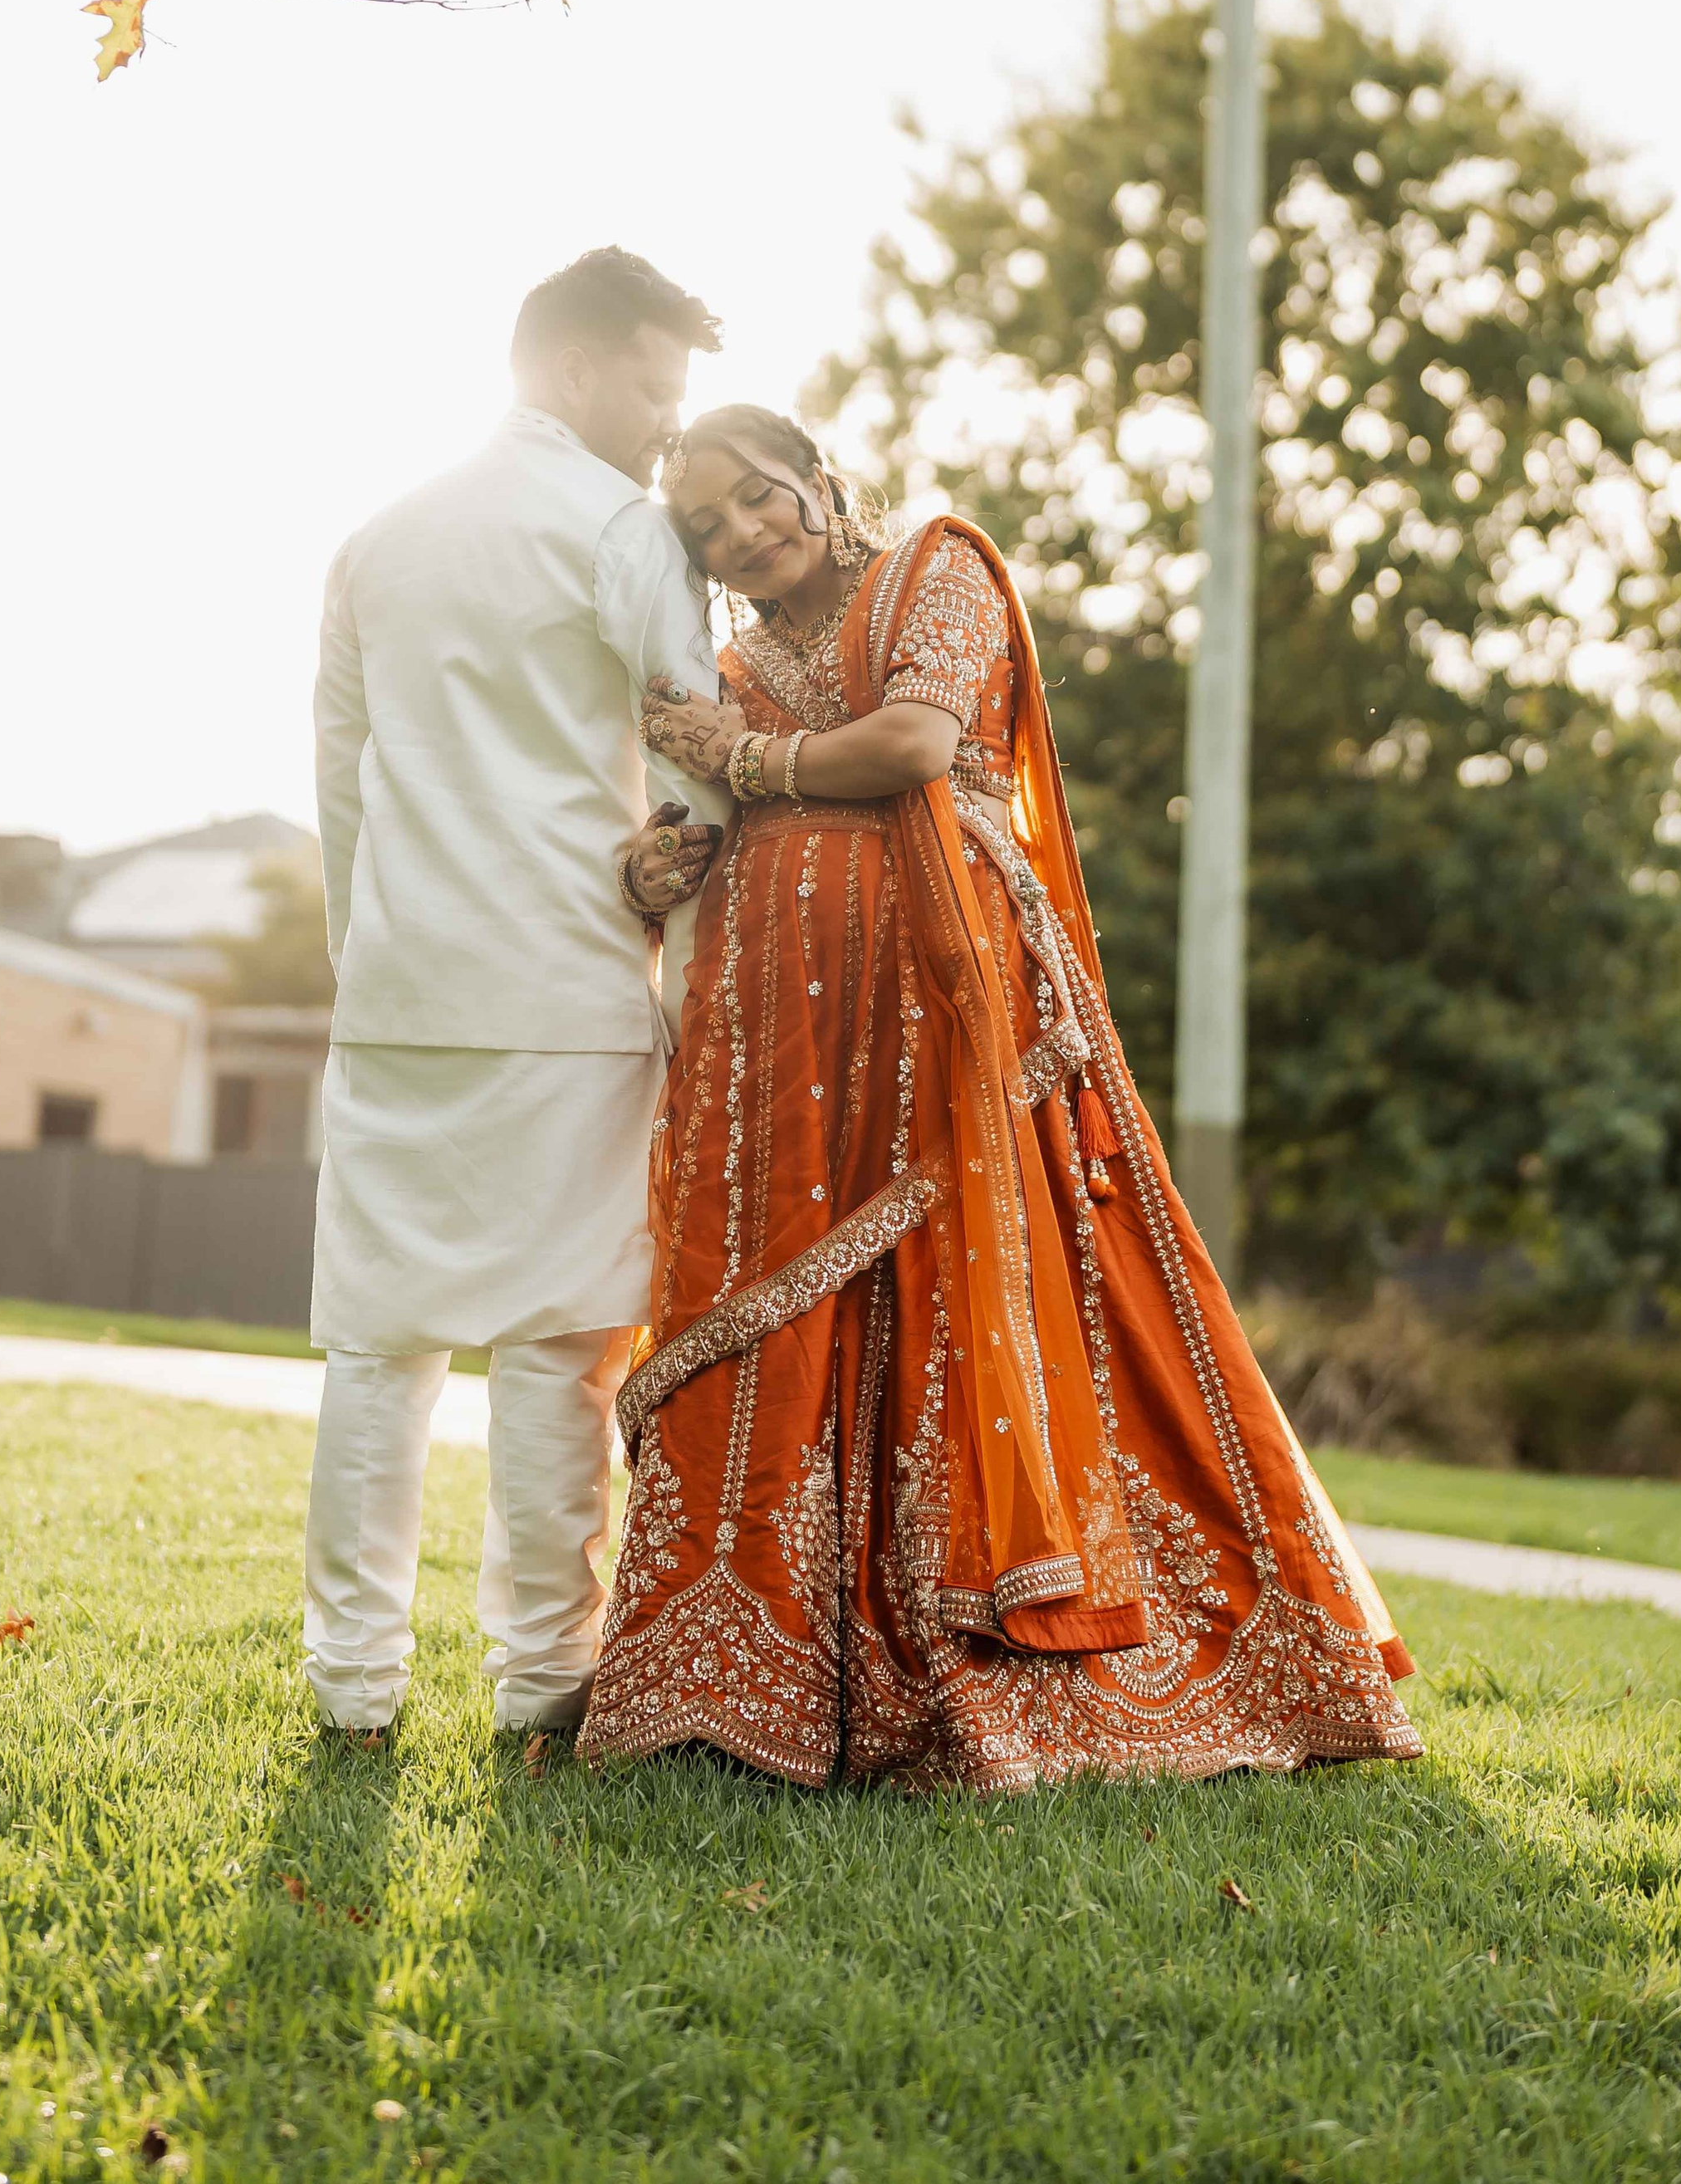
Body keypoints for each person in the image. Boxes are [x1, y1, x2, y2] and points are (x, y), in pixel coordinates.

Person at [579, 407, 1419, 1791]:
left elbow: (912, 744)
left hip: (948, 1015)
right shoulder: (730, 664)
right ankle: (749, 1679)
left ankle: (993, 1669)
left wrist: (743, 760)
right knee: (795, 1307)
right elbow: (698, 823)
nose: (742, 532)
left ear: (815, 477)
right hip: (782, 1048)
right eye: (708, 527)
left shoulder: (936, 571)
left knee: (964, 1297)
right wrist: (650, 871)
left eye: (758, 496)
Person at [303, 248, 728, 1741]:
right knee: (561, 1349)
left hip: (407, 986)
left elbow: (343, 791)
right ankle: (544, 1677)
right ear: (570, 369)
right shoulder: (622, 529)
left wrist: (371, 964)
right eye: (656, 395)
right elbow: (700, 752)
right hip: (569, 983)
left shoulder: (380, 538)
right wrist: (672, 878)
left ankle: (352, 1686)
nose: (669, 435)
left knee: (379, 1345)